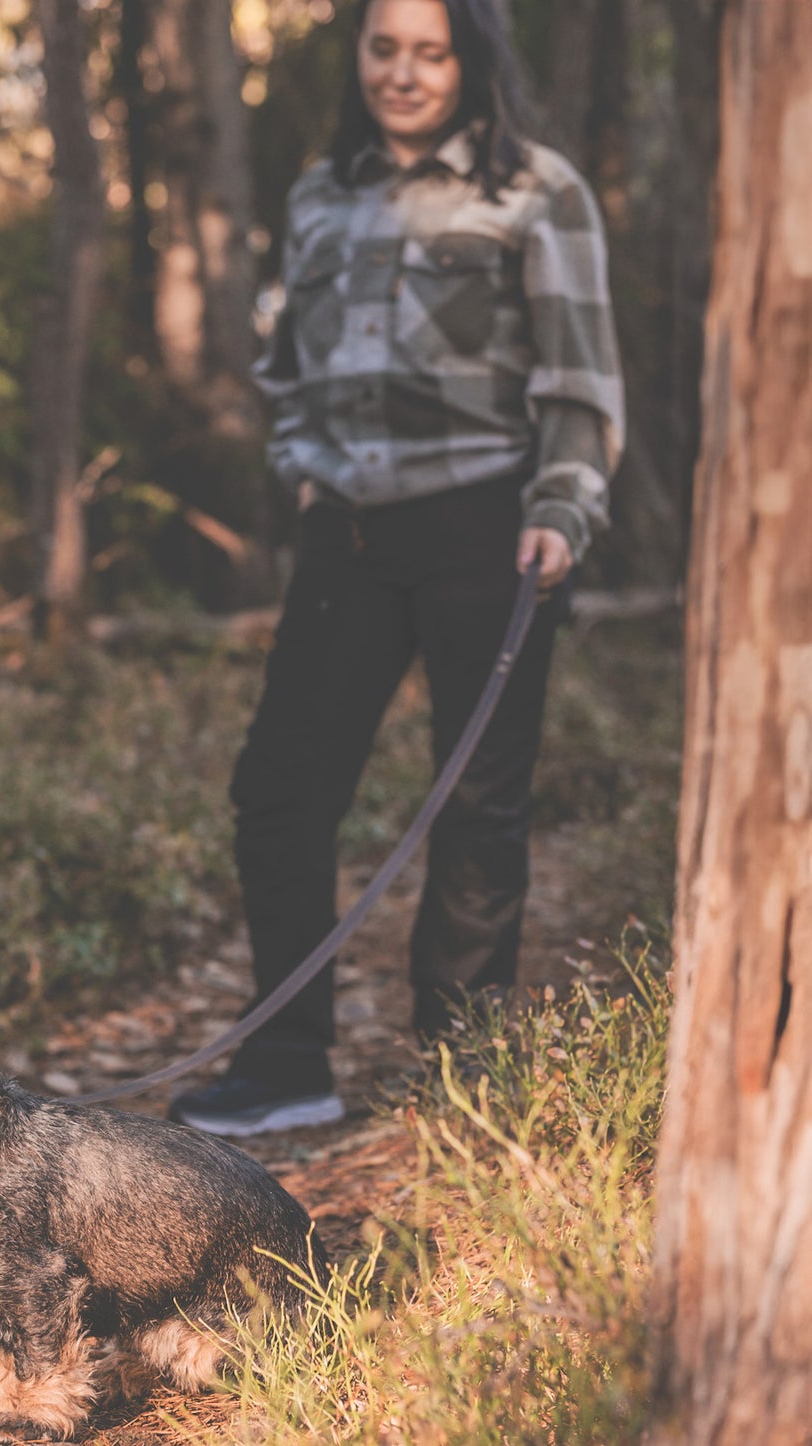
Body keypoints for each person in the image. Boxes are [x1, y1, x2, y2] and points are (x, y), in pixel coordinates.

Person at [169, 0, 623, 1138]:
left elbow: (578, 378)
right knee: (278, 790)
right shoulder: (324, 194)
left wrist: (562, 505)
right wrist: (301, 468)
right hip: (349, 539)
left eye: (429, 52)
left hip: (489, 529)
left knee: (477, 803)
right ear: (358, 56)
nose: (404, 74)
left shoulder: (535, 191)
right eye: (383, 49)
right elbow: (283, 365)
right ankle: (286, 1066)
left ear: (468, 60)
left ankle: (461, 1077)